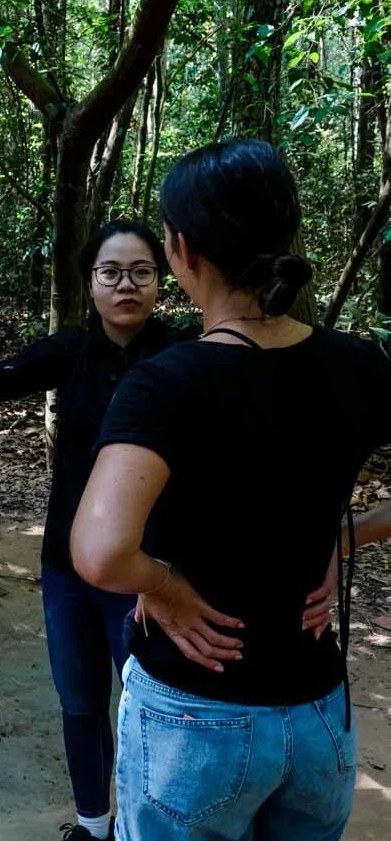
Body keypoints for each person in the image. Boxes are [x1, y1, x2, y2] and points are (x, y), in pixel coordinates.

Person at [71, 138, 391, 840]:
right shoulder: (361, 365)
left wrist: (164, 585)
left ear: (182, 251)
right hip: (316, 715)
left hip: (194, 712)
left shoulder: (166, 382)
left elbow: (100, 552)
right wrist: (347, 533)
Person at [0, 222, 194, 840]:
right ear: (90, 283)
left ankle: (148, 827)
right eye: (111, 272)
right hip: (68, 569)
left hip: (144, 572)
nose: (126, 285)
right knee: (81, 705)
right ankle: (93, 824)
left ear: (162, 282)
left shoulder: (185, 355)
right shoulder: (73, 350)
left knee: (154, 710)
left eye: (141, 271)